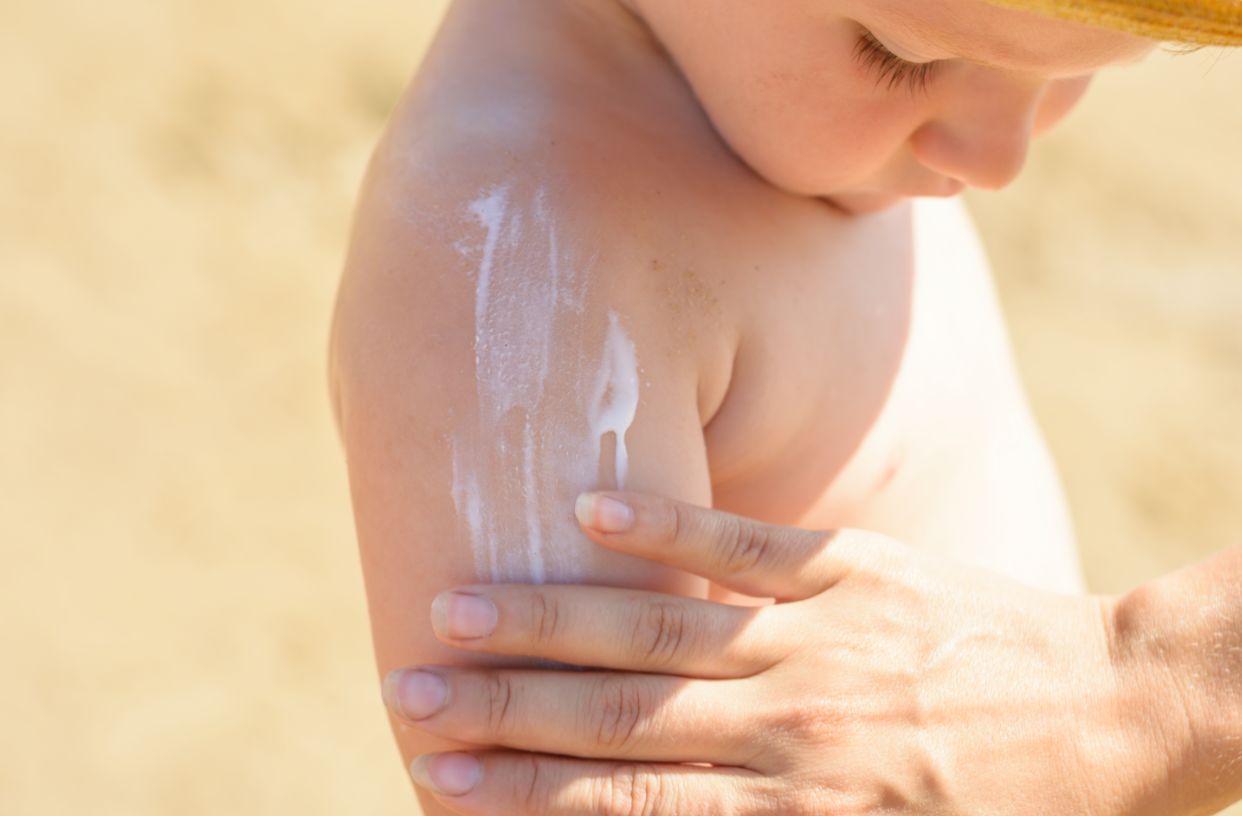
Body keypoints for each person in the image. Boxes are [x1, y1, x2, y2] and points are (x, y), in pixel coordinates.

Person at [329, 0, 1242, 813]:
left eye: (1094, 62)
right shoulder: (530, 274)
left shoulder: (801, 111)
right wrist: (1136, 691)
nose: (1002, 157)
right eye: (899, 58)